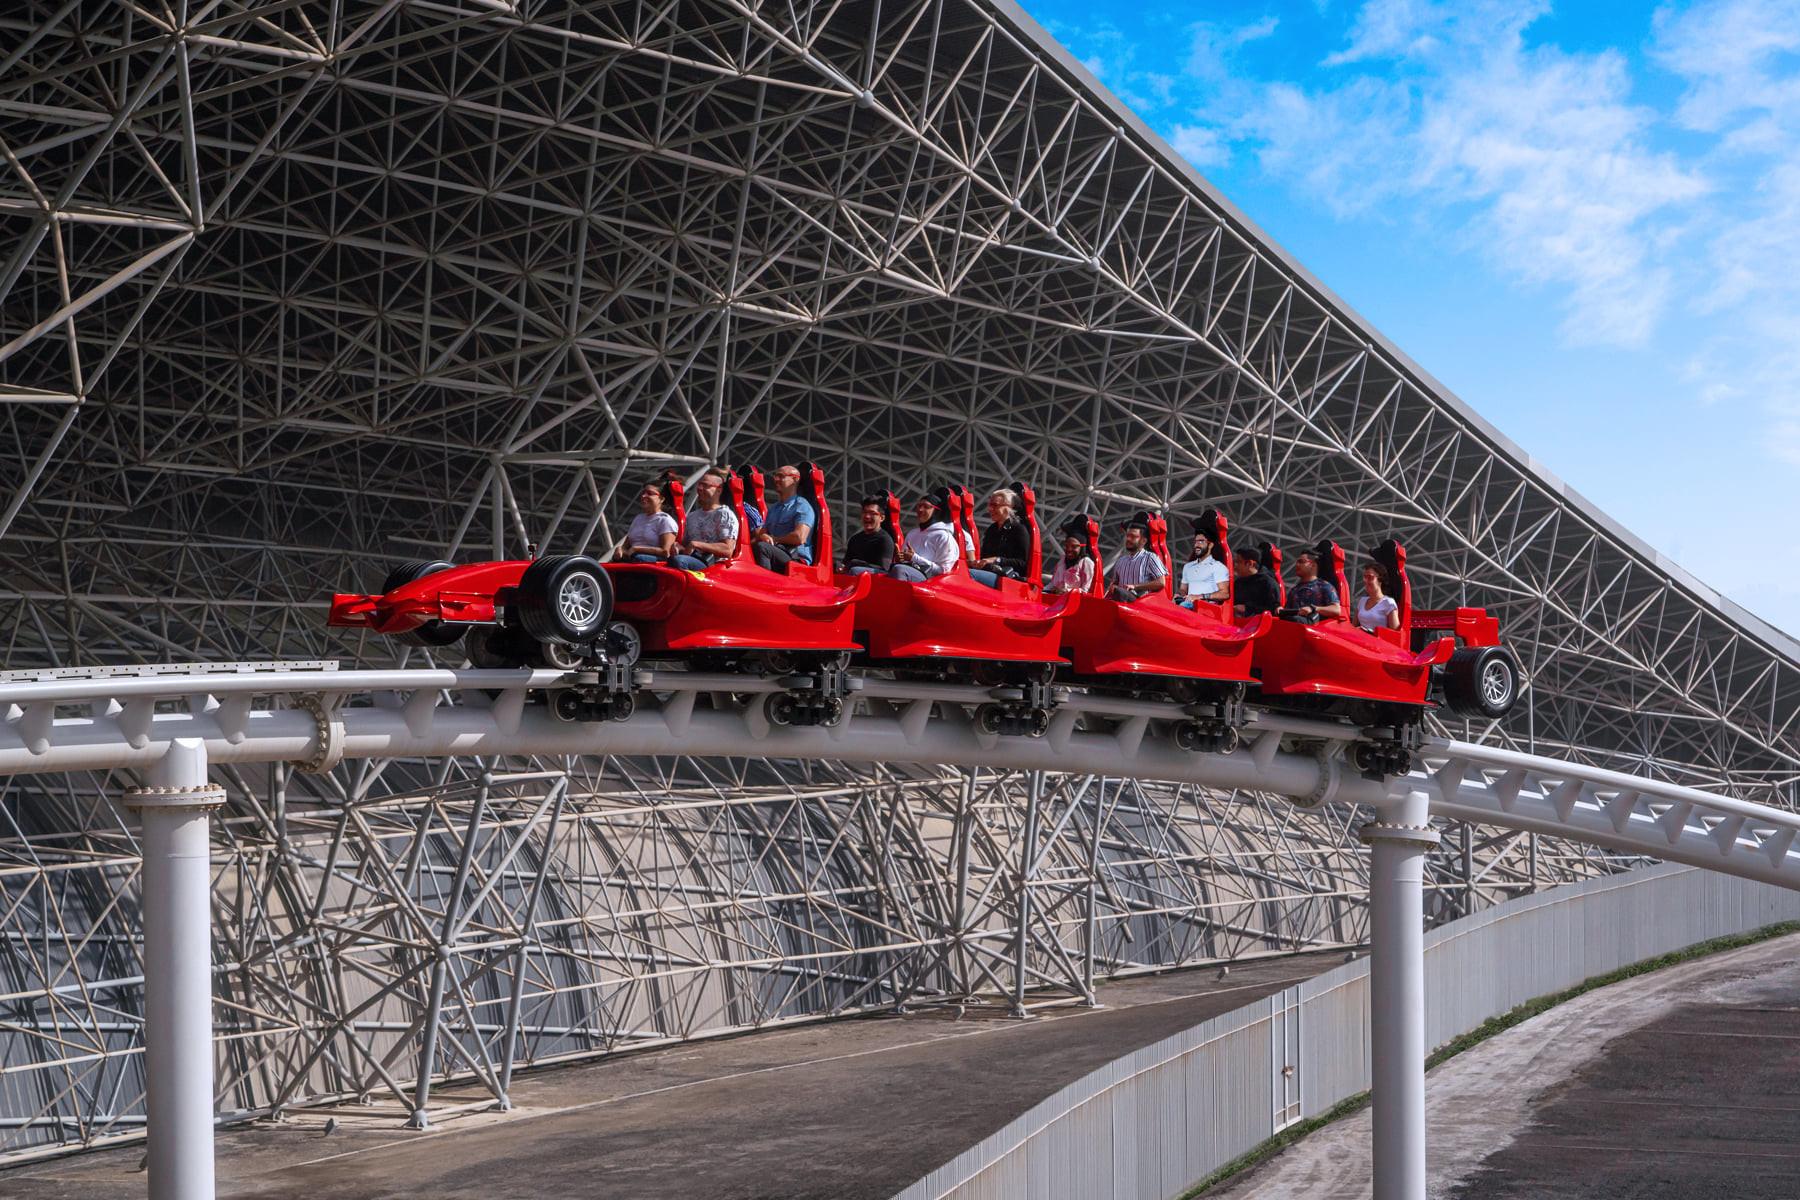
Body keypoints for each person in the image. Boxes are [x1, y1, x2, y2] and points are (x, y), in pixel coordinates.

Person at [670, 469, 739, 571]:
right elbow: (686, 545)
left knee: (680, 561)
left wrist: (697, 544)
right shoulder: (692, 516)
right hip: (693, 560)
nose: (700, 488)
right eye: (699, 485)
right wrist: (677, 546)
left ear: (719, 489)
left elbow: (728, 550)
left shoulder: (724, 514)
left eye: (705, 485)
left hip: (714, 567)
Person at [753, 464, 814, 573]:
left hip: (795, 558)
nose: (776, 480)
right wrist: (763, 536)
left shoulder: (802, 506)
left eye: (781, 476)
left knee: (763, 548)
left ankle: (765, 584)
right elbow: (763, 532)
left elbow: (799, 537)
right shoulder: (773, 509)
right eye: (775, 476)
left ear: (795, 479)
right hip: (776, 552)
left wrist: (774, 539)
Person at [891, 489, 960, 581]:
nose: (920, 509)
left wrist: (915, 558)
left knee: (899, 570)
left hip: (930, 581)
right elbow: (905, 560)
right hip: (909, 574)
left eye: (926, 506)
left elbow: (945, 571)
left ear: (936, 511)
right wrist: (900, 559)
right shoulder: (912, 533)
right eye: (919, 506)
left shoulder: (943, 536)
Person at [970, 488, 1030, 589]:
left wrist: (997, 560)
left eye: (995, 505)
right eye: (989, 505)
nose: (990, 509)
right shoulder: (991, 530)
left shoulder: (1019, 530)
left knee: (969, 575)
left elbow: (1023, 563)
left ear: (1009, 507)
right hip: (990, 572)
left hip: (1008, 579)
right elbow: (984, 557)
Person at [1106, 518, 1167, 602]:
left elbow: (1161, 582)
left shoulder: (1150, 557)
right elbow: (1114, 583)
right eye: (1128, 536)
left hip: (1141, 604)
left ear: (1144, 541)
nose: (1128, 539)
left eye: (1133, 536)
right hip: (1121, 603)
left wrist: (1135, 586)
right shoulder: (1120, 561)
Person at [619, 482, 678, 563]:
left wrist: (637, 549)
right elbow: (625, 546)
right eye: (643, 493)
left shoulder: (665, 520)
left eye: (649, 493)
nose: (643, 496)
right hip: (633, 558)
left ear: (661, 499)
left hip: (651, 563)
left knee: (638, 558)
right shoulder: (638, 518)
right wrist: (620, 549)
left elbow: (665, 552)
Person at [1176, 527, 1230, 610]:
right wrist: (1179, 595)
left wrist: (1200, 597)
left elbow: (1225, 594)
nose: (1196, 545)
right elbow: (1183, 589)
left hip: (1208, 610)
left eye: (1201, 541)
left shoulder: (1218, 567)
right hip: (1188, 606)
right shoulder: (1188, 566)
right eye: (1196, 542)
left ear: (1210, 545)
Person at [841, 496, 895, 575]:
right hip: (850, 579)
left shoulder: (885, 540)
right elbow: (846, 563)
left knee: (855, 570)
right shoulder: (854, 539)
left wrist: (856, 564)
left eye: (872, 513)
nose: (867, 516)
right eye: (864, 512)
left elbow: (884, 570)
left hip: (872, 583)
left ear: (882, 518)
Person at [1288, 548, 1343, 620]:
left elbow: (1336, 609)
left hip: (1315, 627)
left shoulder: (1325, 586)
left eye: (1301, 562)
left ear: (1313, 565)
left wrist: (1314, 609)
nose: (1297, 564)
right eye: (1297, 562)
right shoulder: (1294, 590)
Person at [1232, 546, 1281, 618]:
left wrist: (1247, 608)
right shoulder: (1237, 583)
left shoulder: (1268, 583)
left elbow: (1274, 610)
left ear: (1250, 563)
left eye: (1238, 562)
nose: (1235, 566)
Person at [1355, 561, 1402, 633]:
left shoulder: (1388, 603)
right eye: (1365, 577)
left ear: (1380, 580)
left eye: (1370, 577)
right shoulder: (1362, 601)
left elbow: (1395, 633)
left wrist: (1372, 633)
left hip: (1377, 642)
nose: (1366, 581)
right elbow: (1353, 626)